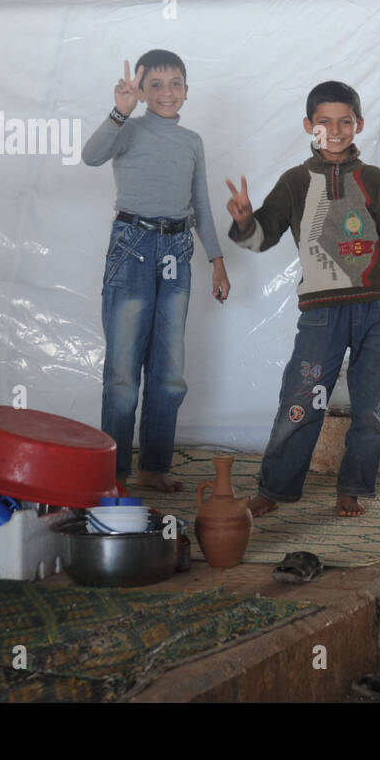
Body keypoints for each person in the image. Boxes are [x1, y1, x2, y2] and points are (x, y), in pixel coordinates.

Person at [226, 80, 380, 517]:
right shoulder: (294, 182)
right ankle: (274, 489)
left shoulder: (374, 180)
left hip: (375, 309)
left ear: (359, 124)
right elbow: (262, 238)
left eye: (344, 121)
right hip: (320, 316)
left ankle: (353, 488)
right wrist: (244, 220)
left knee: (368, 409)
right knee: (301, 399)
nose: (335, 130)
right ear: (309, 126)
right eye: (324, 122)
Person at [82, 50, 230, 491]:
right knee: (124, 371)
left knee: (168, 372)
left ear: (187, 89)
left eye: (175, 83)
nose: (167, 92)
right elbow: (91, 156)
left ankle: (153, 467)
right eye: (156, 85)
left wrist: (216, 261)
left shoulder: (192, 142)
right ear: (142, 92)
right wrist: (118, 112)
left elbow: (201, 205)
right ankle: (113, 475)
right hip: (133, 247)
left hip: (176, 251)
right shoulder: (126, 130)